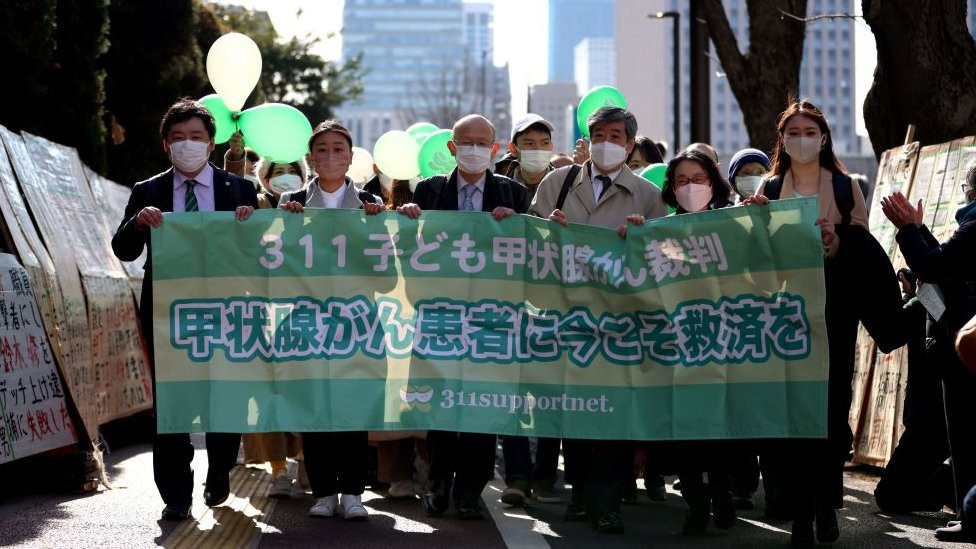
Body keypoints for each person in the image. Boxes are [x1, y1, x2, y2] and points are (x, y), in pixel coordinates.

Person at [753, 100, 905, 547]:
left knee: (830, 408)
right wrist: (753, 220)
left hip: (834, 311)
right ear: (782, 140)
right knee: (794, 412)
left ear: (823, 137)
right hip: (784, 314)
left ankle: (825, 504)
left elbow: (861, 246)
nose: (801, 139)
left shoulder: (844, 186)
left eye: (809, 131)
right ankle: (801, 511)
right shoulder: (770, 184)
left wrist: (836, 240)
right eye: (793, 132)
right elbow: (755, 254)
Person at [111, 98, 257, 521]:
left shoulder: (240, 190)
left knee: (224, 395)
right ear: (165, 145)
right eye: (179, 139)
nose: (187, 145)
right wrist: (138, 221)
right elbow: (123, 248)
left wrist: (252, 224)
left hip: (228, 312)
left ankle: (220, 471)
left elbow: (264, 253)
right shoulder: (149, 190)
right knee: (173, 403)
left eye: (196, 137)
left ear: (210, 144)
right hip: (168, 315)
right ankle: (176, 494)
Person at [529, 106, 667, 534]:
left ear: (629, 144)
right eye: (599, 134)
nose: (607, 142)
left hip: (618, 321)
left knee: (612, 413)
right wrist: (546, 228)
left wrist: (643, 235)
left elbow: (662, 254)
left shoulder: (646, 194)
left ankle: (606, 501)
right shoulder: (559, 181)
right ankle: (581, 493)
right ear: (587, 140)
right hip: (567, 314)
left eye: (617, 135)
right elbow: (529, 238)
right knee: (576, 410)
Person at [396, 114, 527, 520]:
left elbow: (533, 249)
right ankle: (438, 487)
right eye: (464, 142)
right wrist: (408, 218)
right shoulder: (430, 191)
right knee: (441, 405)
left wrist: (517, 226)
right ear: (451, 148)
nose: (472, 149)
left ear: (495, 148)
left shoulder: (515, 194)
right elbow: (407, 246)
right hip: (440, 317)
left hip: (491, 319)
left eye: (481, 142)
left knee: (481, 405)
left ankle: (470, 491)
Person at [277, 120, 384, 521]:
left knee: (354, 406)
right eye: (321, 149)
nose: (330, 156)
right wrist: (285, 224)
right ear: (310, 157)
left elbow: (388, 277)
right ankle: (323, 492)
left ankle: (354, 492)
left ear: (351, 157)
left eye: (339, 148)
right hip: (308, 320)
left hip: (357, 321)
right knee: (316, 405)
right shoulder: (290, 202)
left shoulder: (372, 203)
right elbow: (274, 260)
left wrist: (376, 226)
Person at [881, 165, 976, 543]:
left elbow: (934, 264)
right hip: (961, 344)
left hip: (966, 348)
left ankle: (971, 518)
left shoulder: (974, 225)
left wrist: (907, 230)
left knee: (967, 436)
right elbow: (948, 261)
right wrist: (917, 231)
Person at [658, 151, 738, 534]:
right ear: (672, 188)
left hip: (725, 344)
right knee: (685, 433)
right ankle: (695, 503)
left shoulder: (732, 224)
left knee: (720, 433)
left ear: (713, 182)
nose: (690, 187)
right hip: (679, 347)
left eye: (698, 178)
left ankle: (722, 495)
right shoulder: (660, 231)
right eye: (682, 181)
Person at [875, 268, 951, 514]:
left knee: (889, 496)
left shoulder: (925, 300)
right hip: (940, 410)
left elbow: (889, 335)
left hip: (929, 413)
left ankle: (949, 489)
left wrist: (910, 295)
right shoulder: (951, 298)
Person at [500, 113, 557, 213]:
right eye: (529, 143)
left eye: (545, 143)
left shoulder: (564, 186)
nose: (538, 149)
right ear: (513, 149)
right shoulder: (500, 189)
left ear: (551, 146)